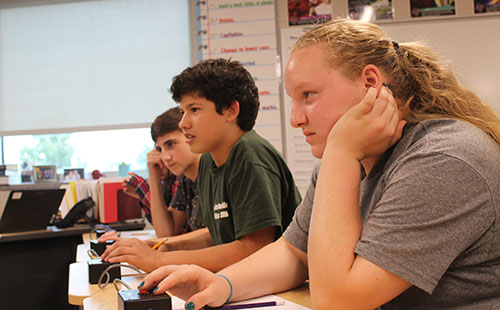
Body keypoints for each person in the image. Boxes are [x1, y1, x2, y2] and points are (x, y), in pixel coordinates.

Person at [137, 19, 500, 310]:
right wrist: (224, 283)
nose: (296, 119)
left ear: (370, 83)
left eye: (308, 96)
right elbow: (294, 251)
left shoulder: (443, 159)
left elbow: (339, 301)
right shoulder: (348, 156)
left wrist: (340, 152)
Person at [101, 59, 302, 274]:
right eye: (182, 112)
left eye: (194, 109)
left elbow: (254, 248)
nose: (183, 123)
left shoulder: (249, 154)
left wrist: (158, 260)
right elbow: (214, 235)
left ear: (230, 111)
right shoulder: (208, 161)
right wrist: (164, 245)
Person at [101, 107, 204, 239]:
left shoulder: (214, 173)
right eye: (160, 149)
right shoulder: (186, 179)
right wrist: (154, 177)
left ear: (191, 135)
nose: (165, 157)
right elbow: (166, 232)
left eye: (171, 144)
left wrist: (148, 246)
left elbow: (213, 238)